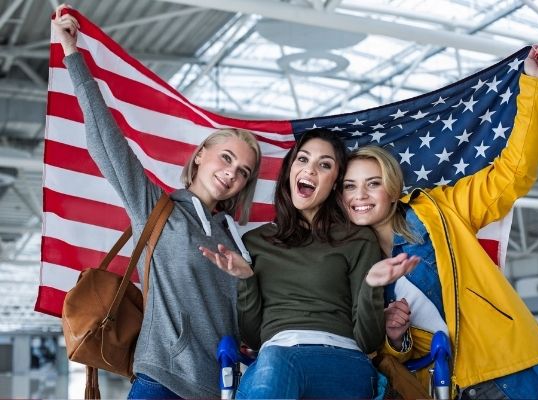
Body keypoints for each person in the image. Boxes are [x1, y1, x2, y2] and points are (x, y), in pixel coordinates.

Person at [51, 5, 262, 399]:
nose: (233, 173)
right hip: (162, 377)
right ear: (200, 155)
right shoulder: (159, 209)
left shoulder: (239, 241)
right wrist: (73, 55)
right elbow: (107, 144)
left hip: (224, 388)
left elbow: (250, 317)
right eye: (227, 158)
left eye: (245, 171)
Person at [342, 45, 538, 399]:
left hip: (511, 372)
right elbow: (385, 353)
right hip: (445, 387)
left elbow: (514, 174)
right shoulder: (354, 265)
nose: (360, 195)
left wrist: (535, 86)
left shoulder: (439, 209)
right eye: (350, 186)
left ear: (393, 188)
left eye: (373, 183)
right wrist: (396, 339)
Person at [200, 128, 420, 398]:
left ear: (335, 183)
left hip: (342, 362)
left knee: (275, 365)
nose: (310, 170)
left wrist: (371, 285)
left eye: (324, 165)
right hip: (273, 361)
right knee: (271, 365)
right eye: (303, 159)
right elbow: (255, 338)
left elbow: (368, 340)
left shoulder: (357, 240)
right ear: (290, 169)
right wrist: (247, 279)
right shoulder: (255, 242)